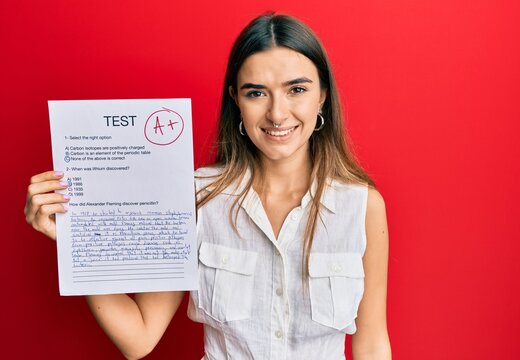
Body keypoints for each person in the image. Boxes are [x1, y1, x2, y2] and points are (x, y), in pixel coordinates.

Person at [24, 13, 391, 360]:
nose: (277, 114)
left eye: (296, 89)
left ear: (322, 95)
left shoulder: (362, 206)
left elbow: (372, 343)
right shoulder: (196, 198)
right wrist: (78, 239)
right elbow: (137, 338)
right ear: (236, 99)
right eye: (256, 93)